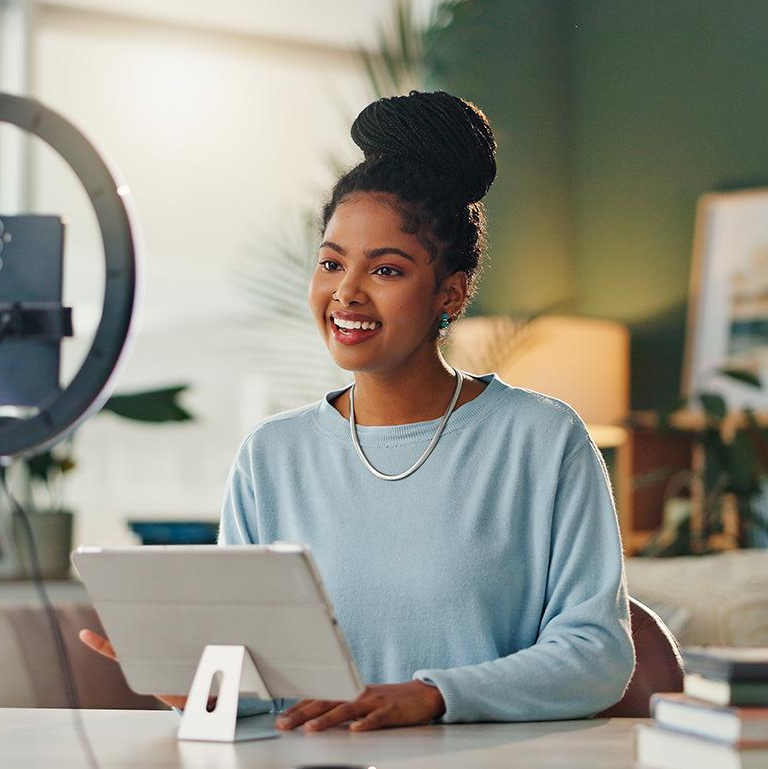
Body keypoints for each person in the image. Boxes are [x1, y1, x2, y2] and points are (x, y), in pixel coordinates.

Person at [80, 90, 635, 732]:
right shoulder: (272, 455)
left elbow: (597, 657)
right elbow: (264, 683)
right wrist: (200, 687)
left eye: (387, 270)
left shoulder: (540, 439)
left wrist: (431, 696)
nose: (346, 292)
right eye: (331, 262)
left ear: (449, 292)